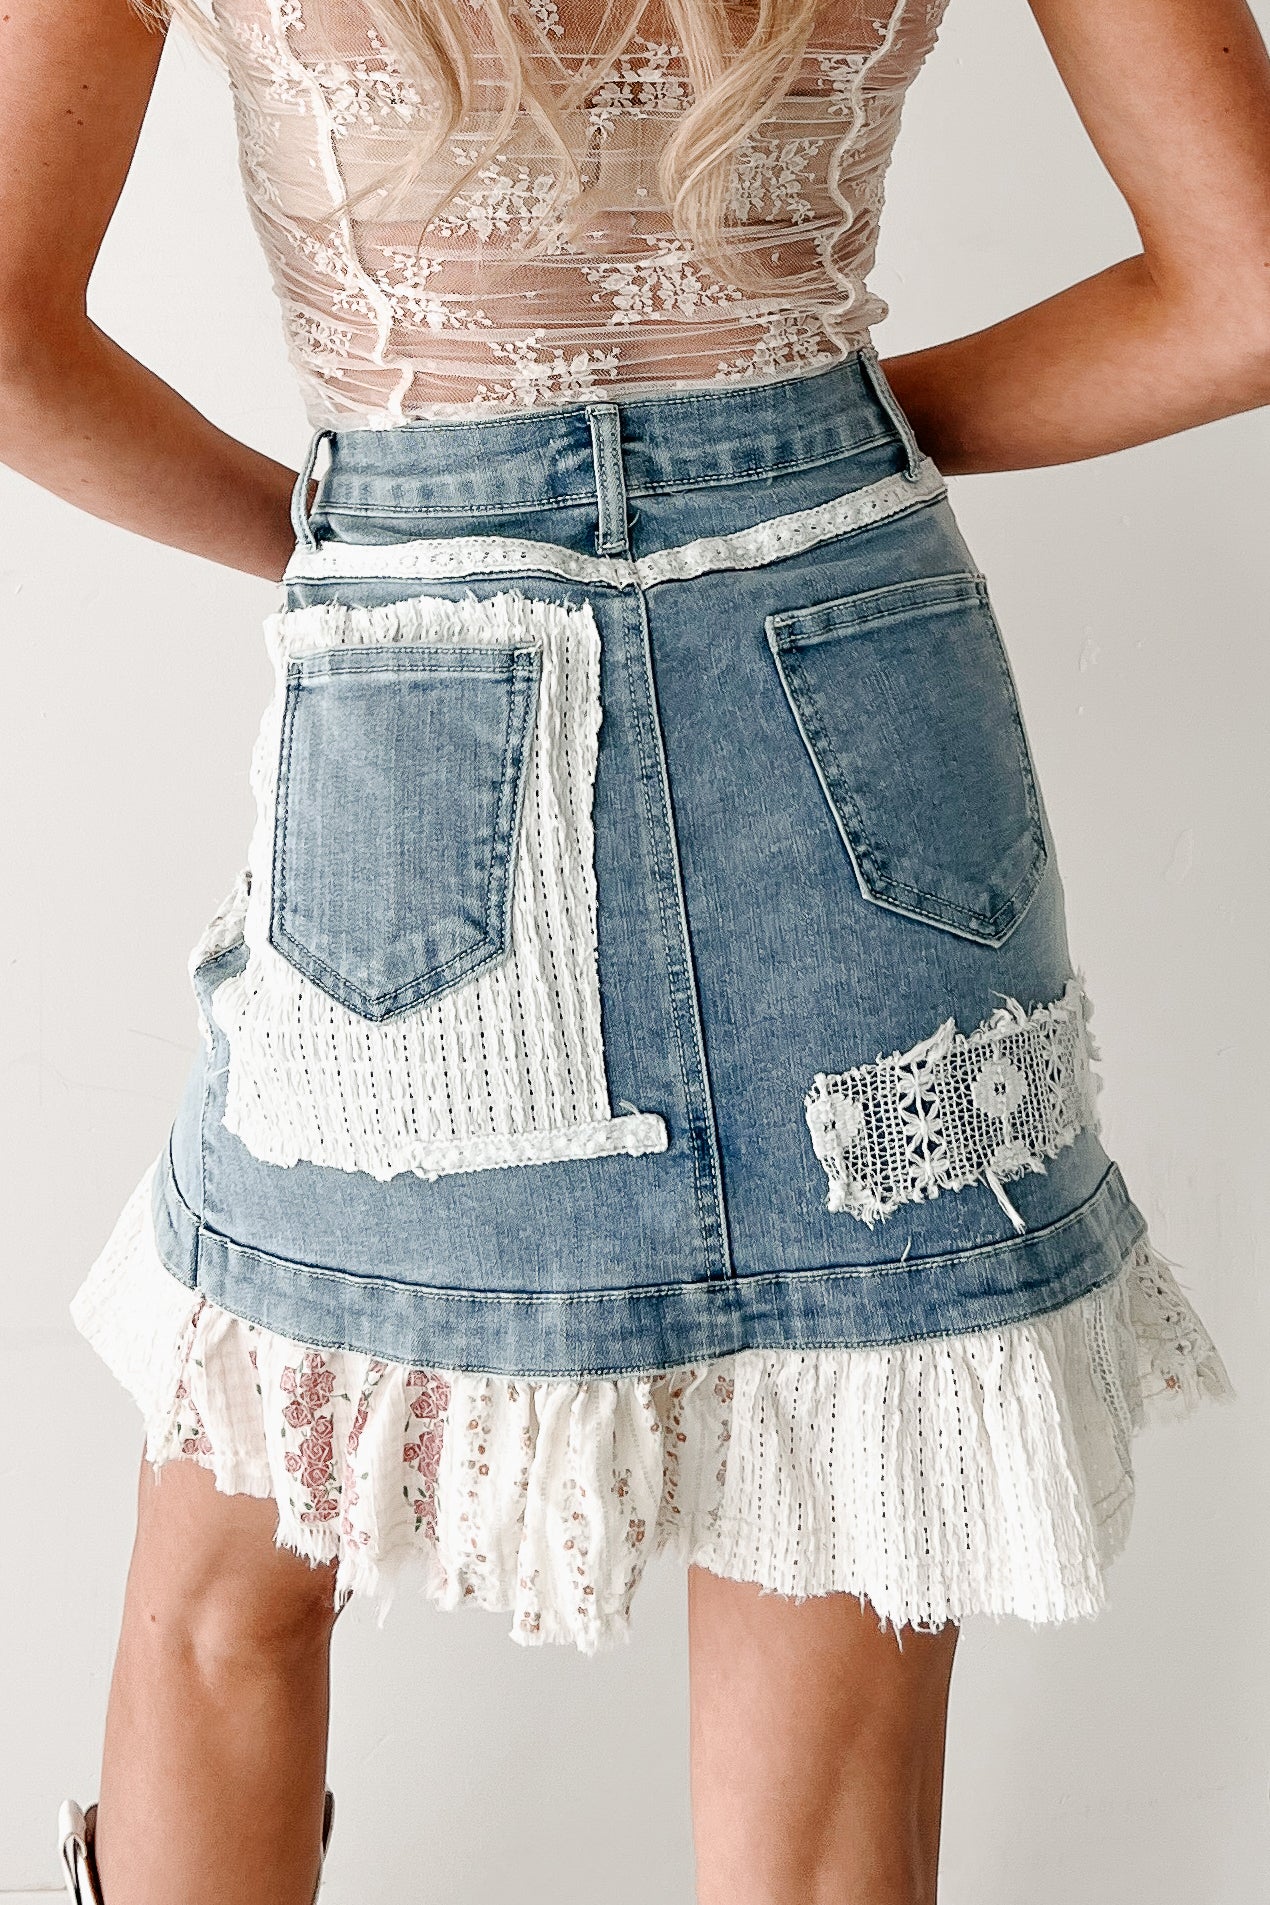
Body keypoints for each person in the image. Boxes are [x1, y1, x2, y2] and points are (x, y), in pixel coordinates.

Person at [3, 0, 1261, 1899]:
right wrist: (817, 445)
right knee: (849, 1481)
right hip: (853, 652)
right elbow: (1245, 293)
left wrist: (352, 533)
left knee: (239, 1570)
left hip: (422, 665)